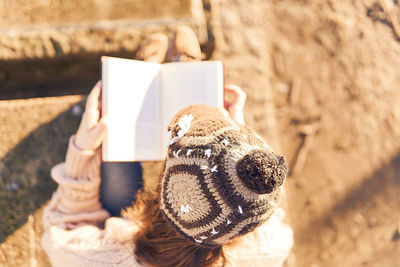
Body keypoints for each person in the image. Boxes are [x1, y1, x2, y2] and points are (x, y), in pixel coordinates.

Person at [41, 26, 293, 267]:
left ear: (165, 188)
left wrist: (83, 152)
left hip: (122, 223)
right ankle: (182, 70)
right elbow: (260, 204)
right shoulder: (271, 248)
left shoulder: (94, 259)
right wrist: (240, 142)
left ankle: (144, 83)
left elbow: (63, 226)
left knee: (115, 143)